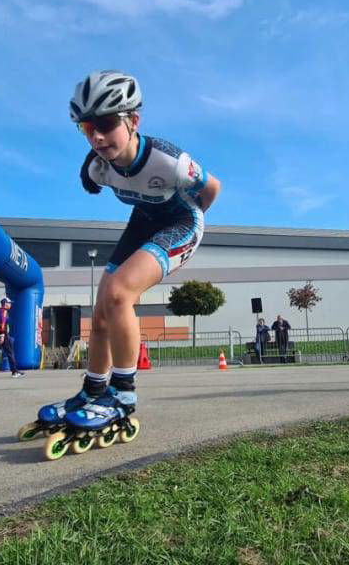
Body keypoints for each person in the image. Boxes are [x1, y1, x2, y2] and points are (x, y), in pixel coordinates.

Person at [38, 70, 221, 434]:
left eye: (106, 124)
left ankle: (123, 394)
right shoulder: (96, 168)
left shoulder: (170, 162)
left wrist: (190, 229)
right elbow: (94, 178)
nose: (98, 137)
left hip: (181, 223)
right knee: (104, 306)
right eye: (87, 128)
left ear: (134, 120)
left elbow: (212, 188)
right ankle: (93, 390)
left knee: (121, 292)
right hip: (143, 223)